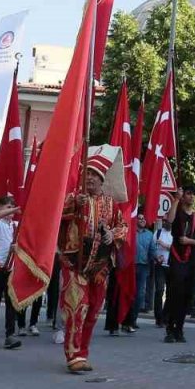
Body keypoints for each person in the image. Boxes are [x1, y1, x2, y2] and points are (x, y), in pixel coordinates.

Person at [58, 145, 128, 373]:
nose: (89, 178)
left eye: (93, 175)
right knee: (76, 308)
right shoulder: (73, 198)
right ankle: (73, 355)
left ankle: (83, 352)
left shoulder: (111, 203)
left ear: (101, 179)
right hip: (74, 263)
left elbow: (123, 227)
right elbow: (58, 214)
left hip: (100, 266)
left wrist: (112, 234)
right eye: (86, 173)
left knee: (95, 309)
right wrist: (73, 205)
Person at [163, 184, 195, 343]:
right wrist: (176, 200)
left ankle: (180, 329)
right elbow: (169, 221)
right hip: (176, 257)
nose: (191, 196)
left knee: (187, 295)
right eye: (188, 193)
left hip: (191, 259)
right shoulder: (178, 212)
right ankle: (170, 328)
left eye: (193, 194)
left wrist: (190, 240)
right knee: (174, 293)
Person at [0, 195, 23, 350]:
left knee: (11, 303)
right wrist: (16, 209)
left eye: (12, 207)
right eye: (8, 207)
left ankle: (10, 335)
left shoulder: (15, 225)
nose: (11, 211)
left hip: (10, 268)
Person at [133, 215, 155, 315]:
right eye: (140, 218)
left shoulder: (150, 234)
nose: (142, 220)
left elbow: (152, 250)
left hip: (144, 266)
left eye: (144, 219)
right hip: (131, 266)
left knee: (140, 293)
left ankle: (134, 319)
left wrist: (156, 257)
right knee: (129, 291)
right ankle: (127, 318)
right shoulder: (131, 232)